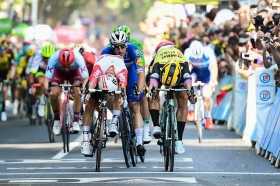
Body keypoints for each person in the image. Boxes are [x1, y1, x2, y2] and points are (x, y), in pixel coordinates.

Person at [101, 29, 146, 156]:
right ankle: (115, 119)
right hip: (114, 74)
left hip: (131, 73)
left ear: (127, 45)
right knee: (112, 94)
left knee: (134, 106)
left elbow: (141, 73)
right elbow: (100, 72)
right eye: (116, 47)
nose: (120, 50)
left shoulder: (134, 50)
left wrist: (139, 89)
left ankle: (139, 142)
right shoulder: (105, 52)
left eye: (122, 47)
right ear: (111, 46)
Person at [148, 44, 192, 154]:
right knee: (153, 94)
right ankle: (156, 125)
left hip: (178, 74)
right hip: (161, 70)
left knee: (183, 97)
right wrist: (152, 90)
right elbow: (153, 81)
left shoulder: (183, 64)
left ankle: (179, 141)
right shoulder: (158, 63)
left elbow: (188, 82)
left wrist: (191, 93)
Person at [81, 54, 128, 156]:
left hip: (113, 85)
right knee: (89, 105)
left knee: (118, 95)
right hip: (98, 80)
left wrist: (123, 97)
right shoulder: (100, 66)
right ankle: (85, 141)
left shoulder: (121, 69)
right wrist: (88, 94)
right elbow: (92, 81)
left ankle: (113, 123)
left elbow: (123, 86)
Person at [115, 25, 152, 143]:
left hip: (134, 68)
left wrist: (140, 87)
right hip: (118, 71)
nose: (119, 47)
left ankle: (146, 128)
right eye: (117, 45)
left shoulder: (134, 45)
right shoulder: (112, 47)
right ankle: (117, 121)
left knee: (141, 96)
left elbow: (141, 67)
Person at [45, 48, 89, 135]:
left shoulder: (78, 58)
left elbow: (85, 77)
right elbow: (47, 78)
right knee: (53, 93)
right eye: (64, 65)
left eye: (68, 65)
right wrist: (47, 89)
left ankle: (76, 120)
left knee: (78, 91)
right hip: (58, 73)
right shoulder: (54, 58)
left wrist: (83, 88)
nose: (66, 68)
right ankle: (57, 119)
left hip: (74, 73)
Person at [184, 40, 218, 129]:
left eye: (198, 58)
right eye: (195, 58)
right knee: (188, 85)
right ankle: (191, 109)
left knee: (207, 95)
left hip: (206, 73)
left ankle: (208, 116)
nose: (197, 60)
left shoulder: (208, 51)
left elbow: (214, 67)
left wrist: (213, 81)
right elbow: (186, 69)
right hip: (194, 71)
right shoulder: (187, 52)